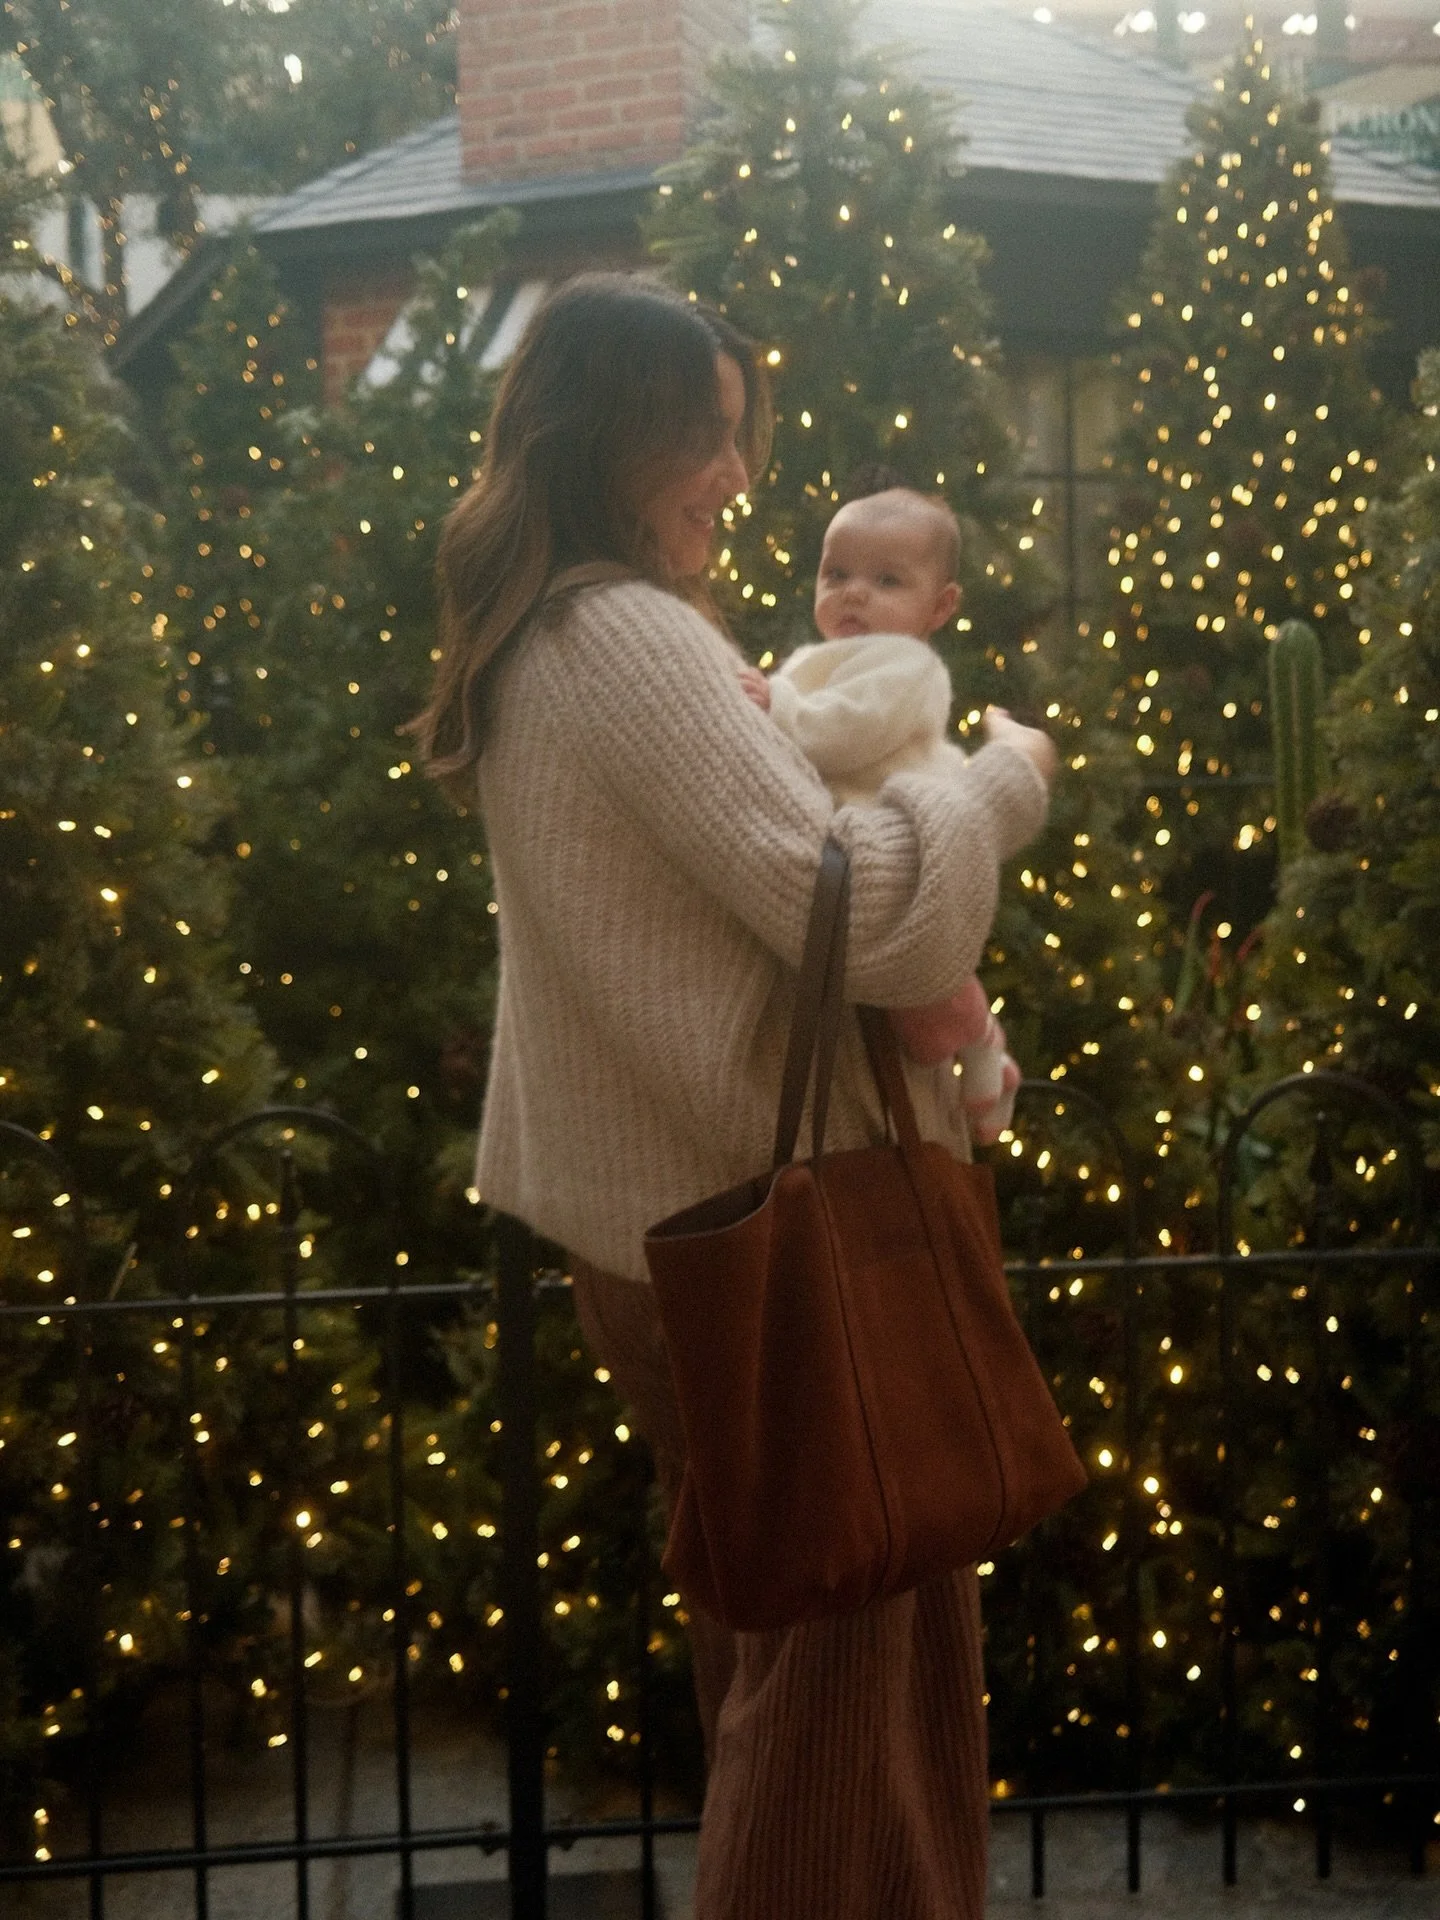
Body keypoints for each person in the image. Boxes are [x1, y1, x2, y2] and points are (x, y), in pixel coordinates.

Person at [412, 272, 1057, 1920]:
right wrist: (995, 783)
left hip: (674, 1228)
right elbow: (860, 907)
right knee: (843, 1687)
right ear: (613, 434)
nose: (736, 476)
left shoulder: (540, 628)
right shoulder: (623, 633)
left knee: (793, 1651)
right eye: (708, 436)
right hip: (766, 1229)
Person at [738, 482, 1023, 1145]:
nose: (854, 592)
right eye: (836, 573)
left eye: (887, 579)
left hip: (908, 853)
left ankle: (985, 1047)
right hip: (854, 853)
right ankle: (980, 1058)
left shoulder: (909, 666)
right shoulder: (813, 659)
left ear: (940, 606)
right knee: (911, 1027)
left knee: (932, 999)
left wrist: (775, 707)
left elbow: (851, 731)